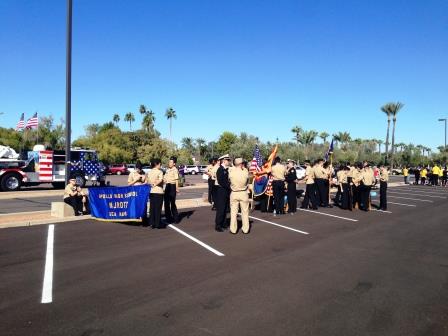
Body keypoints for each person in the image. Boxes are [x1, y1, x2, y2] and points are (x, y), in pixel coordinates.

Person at [229, 158, 250, 234]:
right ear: (241, 164)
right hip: (243, 193)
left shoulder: (231, 172)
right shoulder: (245, 171)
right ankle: (245, 229)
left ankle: (233, 229)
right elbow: (248, 180)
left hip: (234, 193)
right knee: (245, 212)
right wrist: (243, 168)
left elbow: (229, 180)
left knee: (233, 212)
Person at [215, 154, 231, 232]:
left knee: (225, 209)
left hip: (226, 191)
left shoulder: (226, 170)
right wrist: (230, 186)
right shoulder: (220, 170)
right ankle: (218, 225)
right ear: (224, 161)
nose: (229, 162)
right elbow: (221, 182)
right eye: (228, 160)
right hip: (221, 191)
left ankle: (224, 224)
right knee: (221, 209)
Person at [147, 158, 164, 229]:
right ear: (157, 164)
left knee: (152, 208)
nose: (160, 165)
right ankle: (157, 224)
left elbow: (147, 181)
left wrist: (151, 184)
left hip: (151, 191)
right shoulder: (160, 172)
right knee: (158, 208)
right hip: (158, 191)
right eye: (160, 164)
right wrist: (155, 183)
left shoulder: (149, 172)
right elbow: (160, 180)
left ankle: (152, 223)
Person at [164, 156, 179, 224]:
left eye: (171, 162)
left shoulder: (175, 170)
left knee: (172, 203)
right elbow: (165, 179)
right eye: (169, 161)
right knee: (166, 203)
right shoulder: (167, 170)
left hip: (172, 186)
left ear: (174, 163)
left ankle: (176, 218)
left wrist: (177, 188)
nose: (169, 163)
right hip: (167, 186)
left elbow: (176, 180)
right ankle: (168, 218)